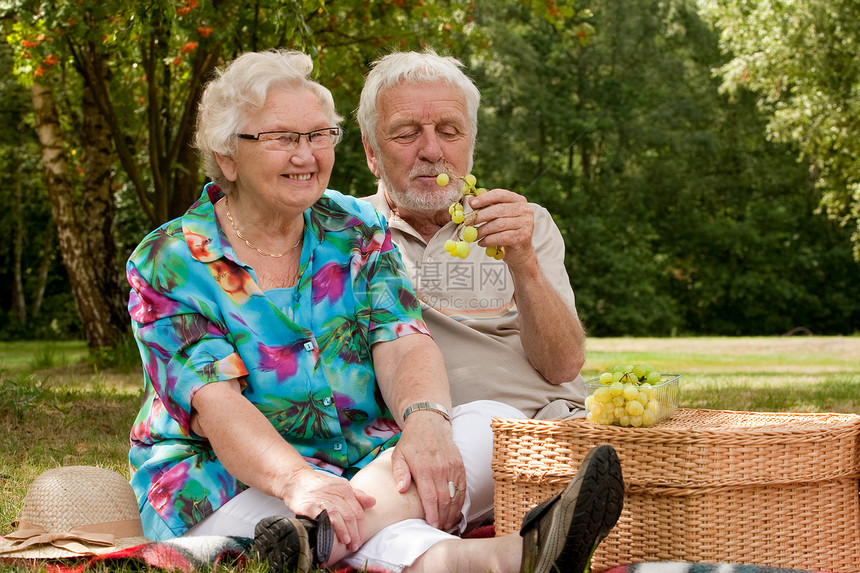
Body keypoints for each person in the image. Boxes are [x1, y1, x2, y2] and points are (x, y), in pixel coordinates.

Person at [126, 49, 623, 573]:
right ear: (228, 155)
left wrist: (426, 424)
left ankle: (309, 545)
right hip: (230, 477)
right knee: (331, 518)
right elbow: (218, 408)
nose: (307, 155)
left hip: (363, 463)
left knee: (486, 423)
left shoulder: (356, 227)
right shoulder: (170, 261)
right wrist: (300, 481)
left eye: (319, 135)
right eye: (283, 138)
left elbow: (403, 339)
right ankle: (502, 557)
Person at [358, 50, 589, 420]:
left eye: (450, 132)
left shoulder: (523, 225)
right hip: (429, 432)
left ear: (471, 144)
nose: (432, 151)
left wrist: (523, 260)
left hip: (545, 427)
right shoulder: (347, 231)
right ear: (372, 153)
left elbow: (563, 366)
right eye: (406, 134)